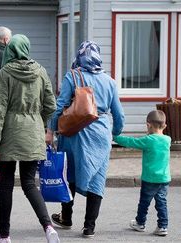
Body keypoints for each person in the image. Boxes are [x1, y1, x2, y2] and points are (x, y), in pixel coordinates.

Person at [46, 41, 125, 238]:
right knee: (97, 180)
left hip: (74, 133)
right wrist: (114, 132)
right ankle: (89, 227)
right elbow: (119, 115)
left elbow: (60, 105)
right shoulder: (110, 81)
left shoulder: (72, 76)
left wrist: (51, 130)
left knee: (69, 174)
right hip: (101, 134)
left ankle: (66, 217)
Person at [0, 34, 60, 243]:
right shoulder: (40, 71)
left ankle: (4, 235)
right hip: (33, 132)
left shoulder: (5, 73)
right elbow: (51, 106)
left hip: (9, 133)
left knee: (7, 184)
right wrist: (39, 121)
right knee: (29, 184)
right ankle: (48, 227)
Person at [113, 110, 171, 237]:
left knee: (144, 202)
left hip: (150, 178)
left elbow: (130, 142)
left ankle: (140, 223)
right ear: (164, 126)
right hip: (164, 178)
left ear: (148, 125)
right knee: (162, 202)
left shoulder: (149, 140)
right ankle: (163, 226)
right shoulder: (168, 140)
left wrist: (115, 137)